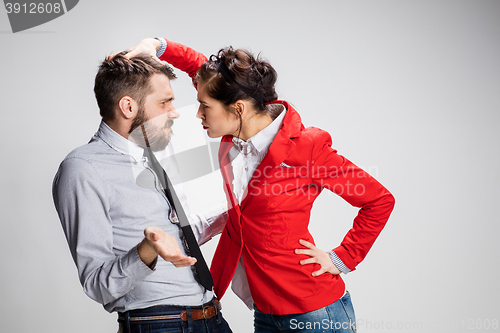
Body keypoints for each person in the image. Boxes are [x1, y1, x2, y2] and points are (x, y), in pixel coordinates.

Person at [123, 38, 395, 333]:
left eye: (204, 107)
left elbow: (379, 200)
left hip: (314, 314)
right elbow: (205, 73)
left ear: (238, 109)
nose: (198, 114)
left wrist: (341, 258)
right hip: (265, 311)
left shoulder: (307, 147)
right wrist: (159, 46)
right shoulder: (235, 135)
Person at [52, 52, 232, 333]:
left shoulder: (149, 156)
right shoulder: (83, 169)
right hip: (160, 324)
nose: (175, 112)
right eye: (164, 102)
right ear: (128, 107)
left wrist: (232, 213)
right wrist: (147, 249)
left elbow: (175, 239)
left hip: (211, 317)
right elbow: (97, 284)